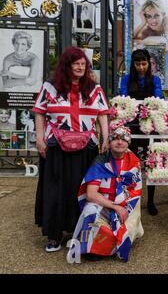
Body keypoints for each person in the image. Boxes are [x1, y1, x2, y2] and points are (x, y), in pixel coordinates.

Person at [33, 46, 109, 252]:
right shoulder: (50, 86)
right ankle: (54, 235)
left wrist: (106, 137)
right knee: (55, 189)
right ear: (66, 65)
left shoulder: (94, 88)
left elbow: (103, 113)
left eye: (83, 64)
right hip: (57, 145)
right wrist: (40, 139)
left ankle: (78, 232)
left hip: (87, 147)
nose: (80, 67)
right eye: (76, 63)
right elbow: (39, 112)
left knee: (82, 190)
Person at [70, 126, 144, 262]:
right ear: (109, 142)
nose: (120, 142)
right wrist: (115, 207)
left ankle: (110, 244)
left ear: (128, 143)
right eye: (115, 139)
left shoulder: (133, 162)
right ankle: (94, 248)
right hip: (103, 202)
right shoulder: (100, 161)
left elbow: (136, 190)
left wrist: (123, 206)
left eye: (123, 139)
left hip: (126, 203)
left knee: (125, 230)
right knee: (90, 211)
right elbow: (91, 194)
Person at [120, 49, 163, 216]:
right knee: (130, 163)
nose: (141, 67)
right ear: (133, 64)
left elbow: (158, 99)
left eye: (144, 63)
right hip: (131, 126)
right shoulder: (126, 79)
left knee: (151, 163)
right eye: (137, 64)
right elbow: (123, 99)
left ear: (149, 63)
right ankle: (129, 198)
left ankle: (151, 200)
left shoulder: (155, 80)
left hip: (150, 127)